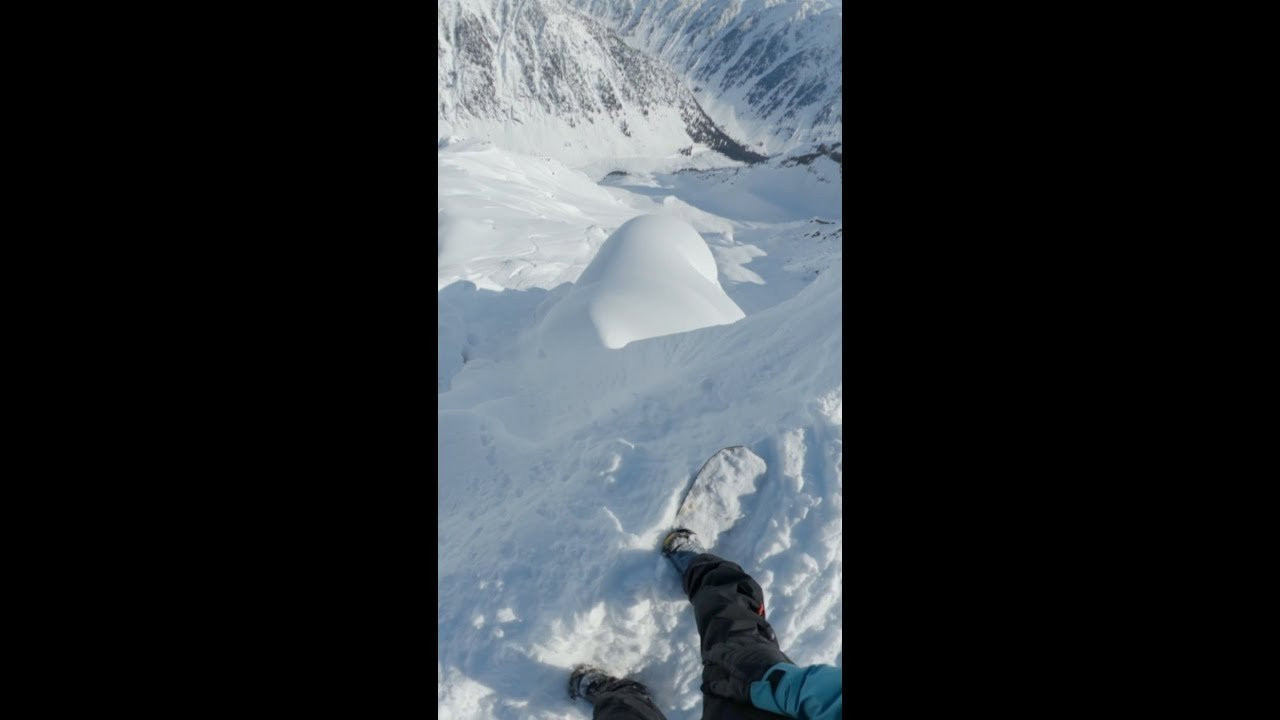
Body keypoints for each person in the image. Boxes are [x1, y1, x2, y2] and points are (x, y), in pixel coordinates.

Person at [567, 529, 842, 719]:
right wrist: (772, 683)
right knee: (733, 637)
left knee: (618, 714)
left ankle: (621, 697)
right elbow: (829, 697)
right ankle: (701, 568)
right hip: (763, 706)